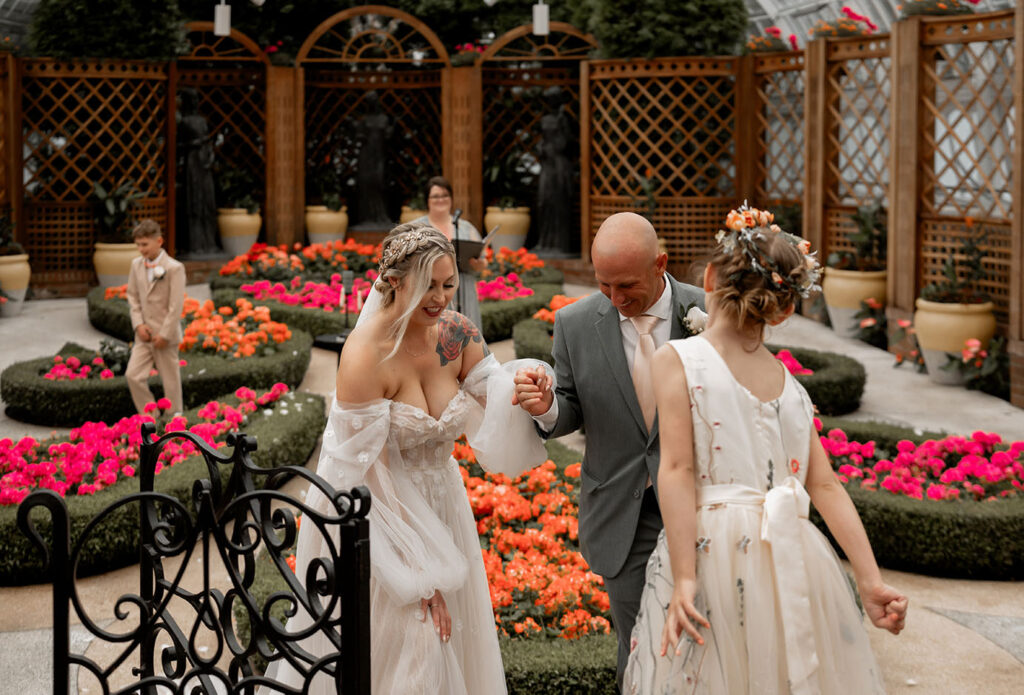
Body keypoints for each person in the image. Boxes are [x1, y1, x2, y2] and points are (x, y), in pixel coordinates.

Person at [623, 205, 908, 694]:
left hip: (712, 553)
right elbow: (825, 484)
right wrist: (869, 579)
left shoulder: (678, 359)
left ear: (709, 276)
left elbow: (675, 470)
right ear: (785, 308)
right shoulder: (790, 384)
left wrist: (685, 577)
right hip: (791, 556)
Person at [267, 222, 550, 694]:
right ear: (394, 282)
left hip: (445, 507)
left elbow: (498, 398)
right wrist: (421, 575)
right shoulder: (365, 354)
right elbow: (366, 478)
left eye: (448, 285)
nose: (440, 299)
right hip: (381, 524)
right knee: (416, 649)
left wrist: (533, 386)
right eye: (427, 286)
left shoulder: (456, 334)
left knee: (452, 648)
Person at [512, 212, 705, 688]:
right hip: (623, 512)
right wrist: (547, 407)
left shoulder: (710, 311)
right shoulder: (574, 323)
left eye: (627, 286)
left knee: (707, 645)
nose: (617, 300)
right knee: (638, 647)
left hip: (704, 508)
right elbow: (571, 406)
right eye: (604, 286)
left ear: (661, 263)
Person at [125, 219, 186, 415]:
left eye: (145, 244)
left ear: (159, 241)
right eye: (138, 245)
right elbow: (132, 296)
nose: (141, 249)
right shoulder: (136, 265)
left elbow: (175, 306)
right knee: (133, 375)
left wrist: (165, 334)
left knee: (170, 382)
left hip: (165, 336)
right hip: (144, 335)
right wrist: (138, 325)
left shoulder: (174, 268)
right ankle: (150, 417)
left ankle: (174, 420)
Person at [412, 175, 485, 330]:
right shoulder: (416, 227)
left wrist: (478, 264)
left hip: (464, 287)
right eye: (436, 196)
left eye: (445, 195)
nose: (441, 200)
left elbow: (482, 264)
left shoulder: (466, 227)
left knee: (467, 334)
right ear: (427, 200)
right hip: (430, 289)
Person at [178, 88, 218, 255]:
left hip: (204, 163)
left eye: (196, 99)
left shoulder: (202, 120)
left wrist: (210, 156)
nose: (195, 103)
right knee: (194, 202)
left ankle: (210, 243)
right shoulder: (183, 121)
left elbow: (209, 142)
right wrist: (194, 144)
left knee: (207, 202)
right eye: (192, 99)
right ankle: (195, 245)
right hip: (192, 163)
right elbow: (177, 146)